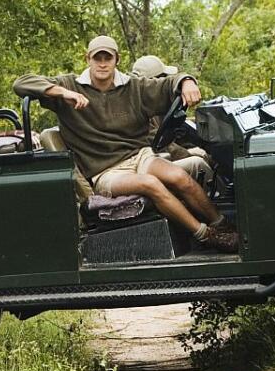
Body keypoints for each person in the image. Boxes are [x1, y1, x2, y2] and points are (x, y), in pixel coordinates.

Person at [15, 36, 239, 252]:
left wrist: (186, 81)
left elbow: (166, 84)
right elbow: (22, 83)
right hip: (106, 172)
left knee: (180, 178)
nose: (102, 64)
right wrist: (63, 93)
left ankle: (222, 225)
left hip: (138, 156)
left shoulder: (133, 87)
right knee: (151, 184)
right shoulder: (70, 85)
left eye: (108, 58)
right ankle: (204, 235)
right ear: (88, 59)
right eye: (97, 58)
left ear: (116, 60)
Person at [131, 53, 214, 185]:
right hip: (148, 162)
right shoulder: (136, 109)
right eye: (163, 78)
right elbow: (158, 143)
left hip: (159, 157)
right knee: (198, 163)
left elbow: (168, 131)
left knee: (207, 154)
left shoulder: (155, 105)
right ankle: (217, 201)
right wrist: (188, 154)